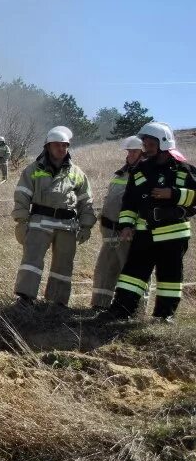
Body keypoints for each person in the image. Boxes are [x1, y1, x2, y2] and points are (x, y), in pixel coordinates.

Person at [99, 122, 196, 323]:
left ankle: (164, 316)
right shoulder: (140, 169)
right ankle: (120, 311)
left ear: (163, 142)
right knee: (131, 275)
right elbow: (130, 201)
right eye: (144, 143)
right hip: (144, 233)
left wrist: (174, 194)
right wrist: (126, 224)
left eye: (150, 143)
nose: (146, 147)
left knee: (169, 278)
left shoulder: (184, 169)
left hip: (173, 234)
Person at [12, 126, 96, 307]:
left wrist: (87, 225)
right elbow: (22, 195)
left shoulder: (77, 173)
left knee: (63, 265)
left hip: (67, 226)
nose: (61, 149)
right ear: (48, 147)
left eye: (65, 145)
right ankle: (25, 298)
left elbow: (86, 201)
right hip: (39, 222)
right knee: (31, 261)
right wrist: (21, 221)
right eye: (57, 145)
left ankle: (57, 302)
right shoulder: (33, 169)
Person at [90, 137, 145, 309]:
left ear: (143, 154)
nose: (129, 155)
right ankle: (100, 305)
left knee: (131, 272)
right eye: (128, 151)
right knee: (105, 269)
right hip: (109, 230)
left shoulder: (145, 176)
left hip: (129, 233)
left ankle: (134, 309)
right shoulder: (121, 173)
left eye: (134, 152)